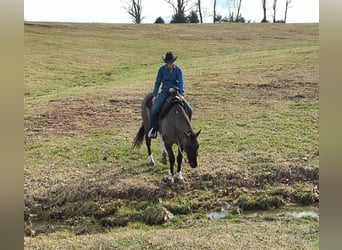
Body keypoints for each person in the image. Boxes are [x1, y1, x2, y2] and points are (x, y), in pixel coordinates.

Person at [147, 51, 193, 138]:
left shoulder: (178, 70)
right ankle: (152, 129)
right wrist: (155, 95)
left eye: (171, 62)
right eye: (168, 63)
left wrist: (182, 95)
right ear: (166, 62)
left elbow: (181, 82)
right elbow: (158, 82)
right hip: (165, 91)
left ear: (173, 62)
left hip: (176, 91)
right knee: (154, 109)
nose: (170, 64)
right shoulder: (161, 70)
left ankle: (188, 129)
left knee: (190, 110)